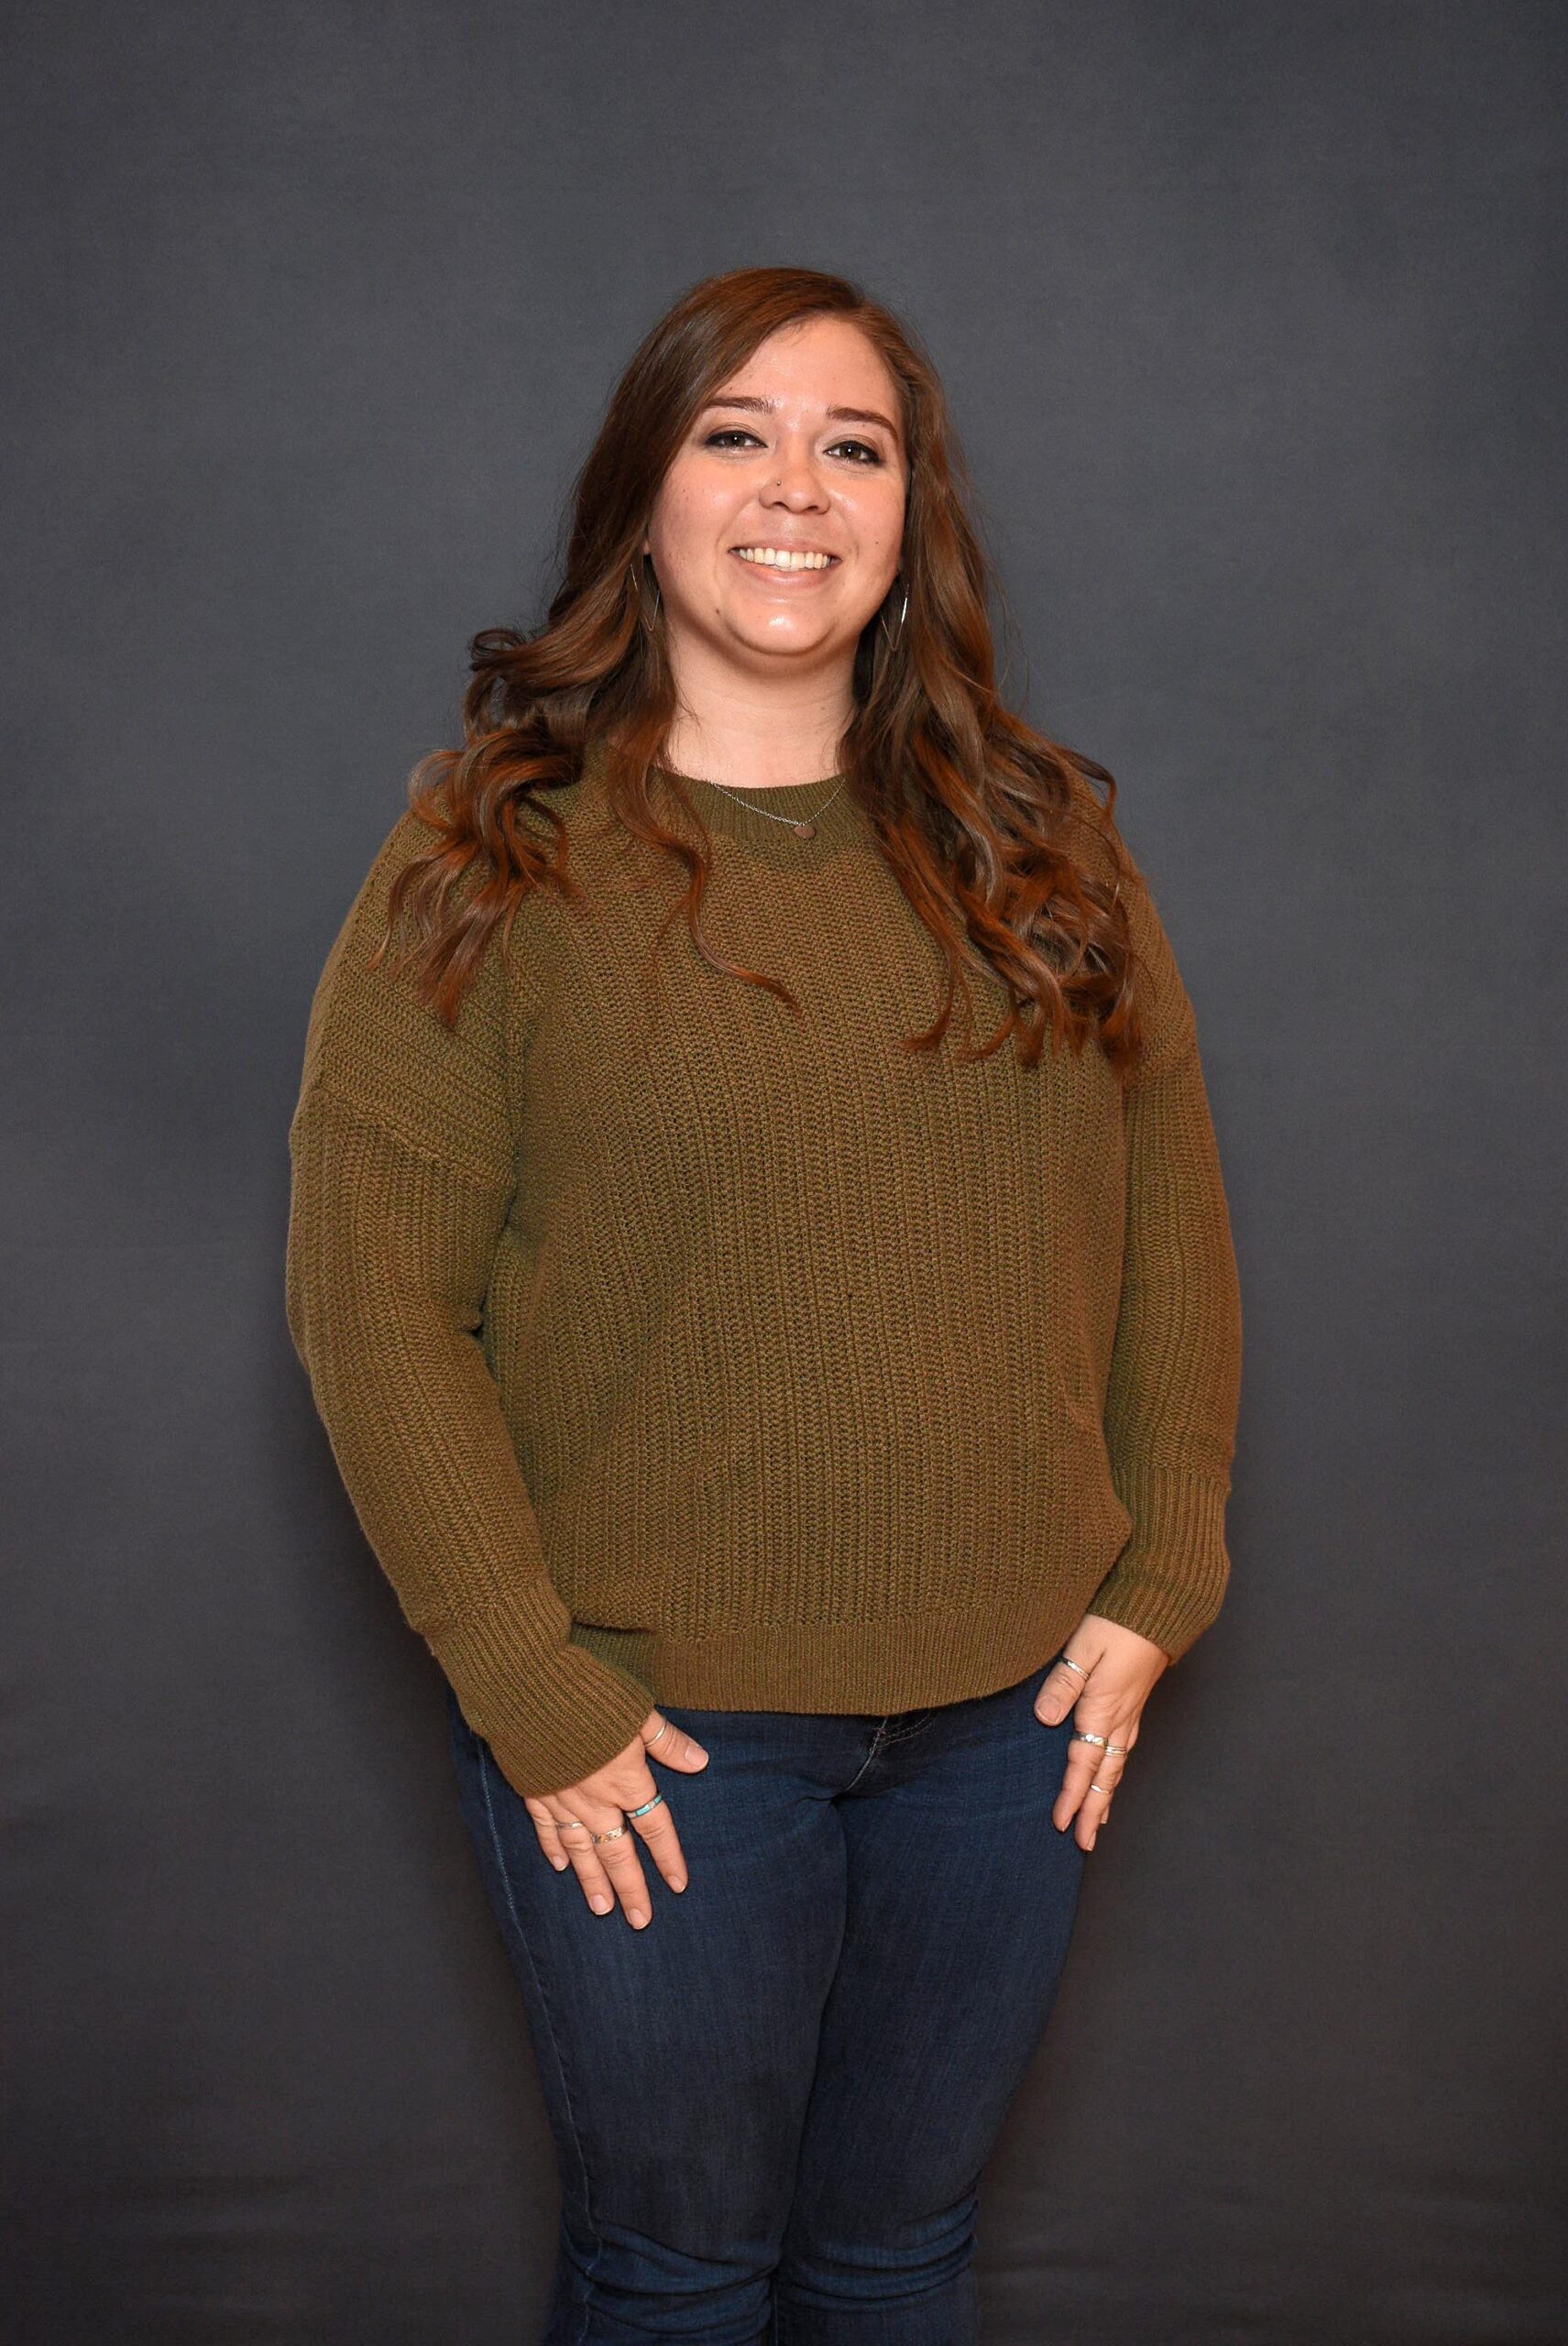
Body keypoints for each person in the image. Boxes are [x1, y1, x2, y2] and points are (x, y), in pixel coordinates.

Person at [284, 262, 1244, 2345]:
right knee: (679, 2270)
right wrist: (528, 1680)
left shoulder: (1045, 850)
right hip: (657, 1731)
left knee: (900, 2260)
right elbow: (372, 1302)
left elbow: (1169, 1213)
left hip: (1009, 1729)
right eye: (735, 433)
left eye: (852, 446)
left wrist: (1165, 1562)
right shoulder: (492, 860)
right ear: (646, 499)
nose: (795, 486)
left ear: (907, 521)